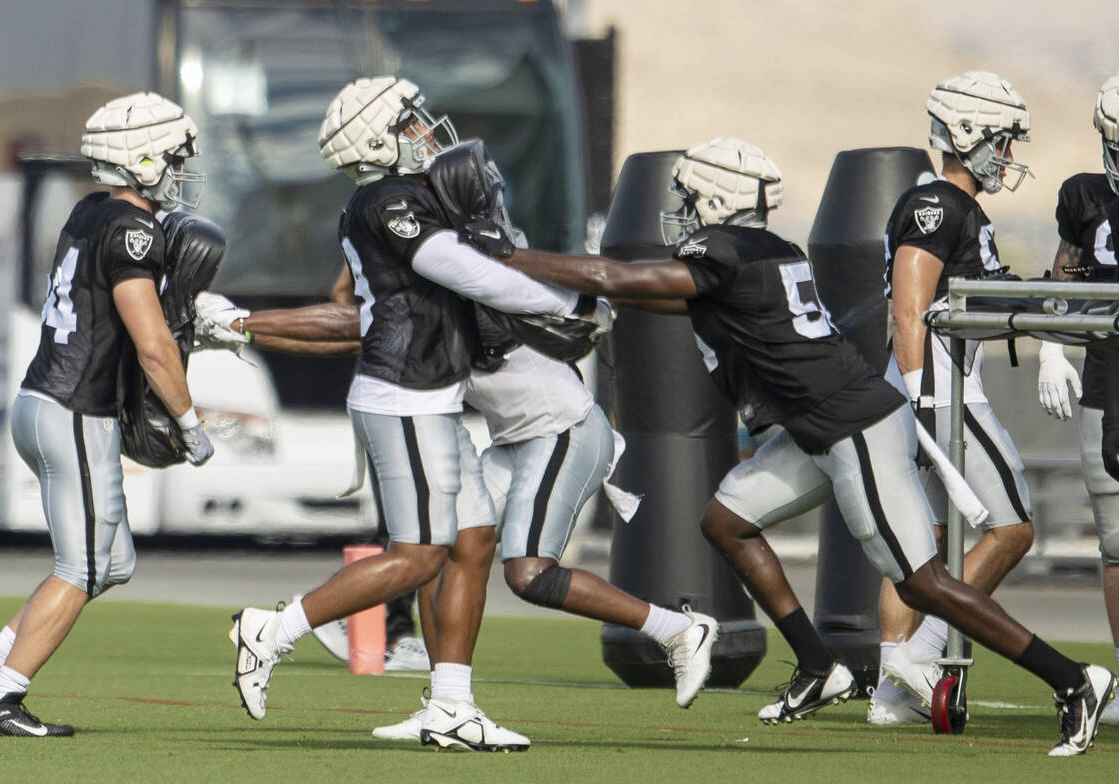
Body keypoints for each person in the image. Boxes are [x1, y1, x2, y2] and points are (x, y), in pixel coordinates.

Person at [462, 135, 1117, 756]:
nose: (681, 211)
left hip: (852, 425)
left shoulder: (721, 250)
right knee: (727, 521)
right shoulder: (766, 249)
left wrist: (510, 259)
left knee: (924, 584)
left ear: (716, 198)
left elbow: (616, 275)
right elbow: (668, 295)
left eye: (689, 197)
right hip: (819, 426)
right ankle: (817, 663)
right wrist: (583, 294)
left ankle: (1072, 679)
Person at [226, 75, 607, 752]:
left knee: (471, 543)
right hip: (404, 393)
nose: (425, 129)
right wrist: (566, 303)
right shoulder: (388, 200)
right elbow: (463, 270)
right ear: (378, 141)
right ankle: (273, 630)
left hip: (432, 394)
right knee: (419, 554)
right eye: (408, 121)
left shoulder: (399, 196)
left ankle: (451, 706)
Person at [0, 92, 214, 737]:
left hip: (39, 403)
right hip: (75, 411)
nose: (181, 170)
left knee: (112, 562)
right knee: (83, 567)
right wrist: (190, 423)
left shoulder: (90, 210)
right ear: (144, 159)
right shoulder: (134, 230)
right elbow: (152, 345)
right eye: (175, 158)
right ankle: (1, 701)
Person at [869, 71, 1040, 725]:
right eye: (1001, 140)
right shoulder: (936, 205)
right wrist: (922, 402)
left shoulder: (954, 206)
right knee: (1012, 528)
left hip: (927, 388)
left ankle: (892, 695)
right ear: (968, 133)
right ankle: (923, 657)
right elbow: (909, 311)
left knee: (923, 544)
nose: (1008, 155)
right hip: (940, 391)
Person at [1039, 73, 1119, 727]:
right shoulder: (1084, 196)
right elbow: (1062, 279)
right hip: (1107, 379)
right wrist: (1049, 347)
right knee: (1117, 540)